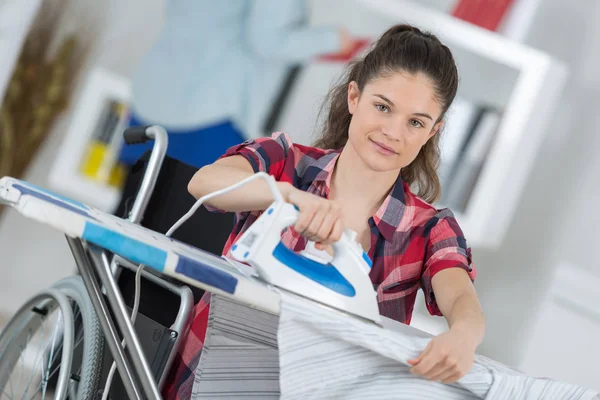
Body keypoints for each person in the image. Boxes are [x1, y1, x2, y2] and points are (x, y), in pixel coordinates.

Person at [165, 23, 486, 398]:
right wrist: (288, 197)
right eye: (383, 107)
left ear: (432, 132)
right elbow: (204, 183)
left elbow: (461, 298)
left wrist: (463, 337)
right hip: (206, 378)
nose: (393, 132)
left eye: (415, 122)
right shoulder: (284, 161)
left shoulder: (429, 230)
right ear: (354, 97)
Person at [118, 0, 360, 170]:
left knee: (124, 220)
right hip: (210, 116)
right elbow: (268, 40)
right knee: (182, 228)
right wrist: (333, 40)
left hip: (152, 97)